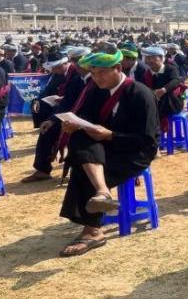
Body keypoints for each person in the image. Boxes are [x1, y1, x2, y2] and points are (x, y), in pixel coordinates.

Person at [57, 49, 159, 257]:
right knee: (80, 142)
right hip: (104, 148)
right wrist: (73, 126)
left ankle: (92, 230)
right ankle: (102, 192)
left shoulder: (140, 94)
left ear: (118, 68)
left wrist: (111, 135)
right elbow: (87, 119)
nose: (97, 78)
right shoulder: (97, 91)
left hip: (134, 152)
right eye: (93, 73)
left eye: (102, 72)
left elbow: (147, 140)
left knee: (83, 167)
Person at [21, 46, 93, 183]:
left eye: (79, 61)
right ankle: (43, 169)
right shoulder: (75, 78)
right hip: (72, 114)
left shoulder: (88, 78)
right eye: (75, 61)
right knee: (47, 127)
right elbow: (66, 101)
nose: (77, 65)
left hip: (88, 119)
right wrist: (51, 119)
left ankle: (83, 174)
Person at [137, 46, 185, 134]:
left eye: (152, 58)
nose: (149, 61)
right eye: (147, 58)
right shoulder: (147, 73)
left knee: (164, 99)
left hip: (172, 102)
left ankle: (155, 130)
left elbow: (176, 81)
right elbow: (142, 87)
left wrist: (163, 90)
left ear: (162, 58)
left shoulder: (170, 69)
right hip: (154, 102)